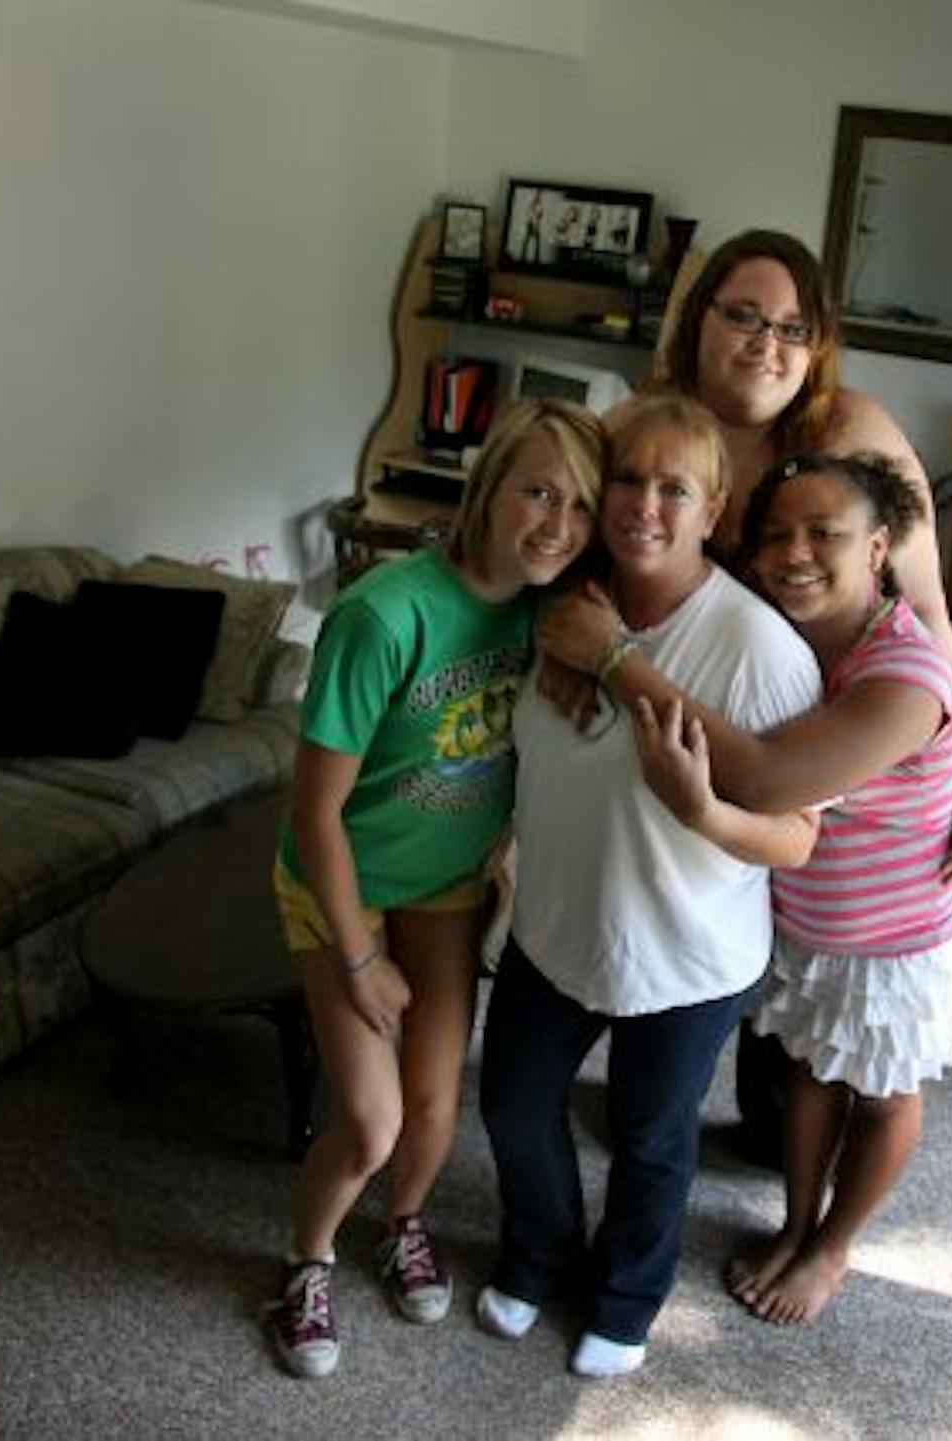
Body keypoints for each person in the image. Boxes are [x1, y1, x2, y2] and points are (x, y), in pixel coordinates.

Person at [541, 450, 952, 1326]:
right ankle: (795, 1222)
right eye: (776, 533)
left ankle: (834, 1247)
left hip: (897, 938)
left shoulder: (906, 676)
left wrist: (616, 660)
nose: (796, 552)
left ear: (880, 545)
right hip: (811, 919)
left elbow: (771, 781)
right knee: (811, 1073)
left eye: (827, 533)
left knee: (882, 1093)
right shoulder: (798, 641)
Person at [476, 393, 822, 1379]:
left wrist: (619, 669)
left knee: (651, 1133)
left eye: (677, 487)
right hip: (553, 925)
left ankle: (627, 1294)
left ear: (715, 508)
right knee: (512, 1103)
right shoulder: (562, 598)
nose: (645, 504)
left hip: (688, 948)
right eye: (628, 477)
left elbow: (796, 836)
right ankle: (538, 1254)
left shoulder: (759, 648)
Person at [262, 398, 605, 1381]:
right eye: (538, 490)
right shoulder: (382, 615)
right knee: (369, 1120)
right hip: (344, 887)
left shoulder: (550, 609)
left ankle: (402, 1221)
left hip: (447, 885)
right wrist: (359, 959)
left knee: (435, 1113)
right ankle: (306, 1261)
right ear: (488, 484)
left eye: (580, 506)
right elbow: (311, 816)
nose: (556, 523)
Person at [645, 229, 952, 1157]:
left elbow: (926, 610)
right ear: (699, 322)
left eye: (794, 329)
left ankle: (777, 1143)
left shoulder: (854, 435)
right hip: (702, 724)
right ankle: (665, 1103)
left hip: (835, 748)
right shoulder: (652, 425)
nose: (768, 345)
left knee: (812, 948)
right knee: (705, 932)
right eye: (745, 317)